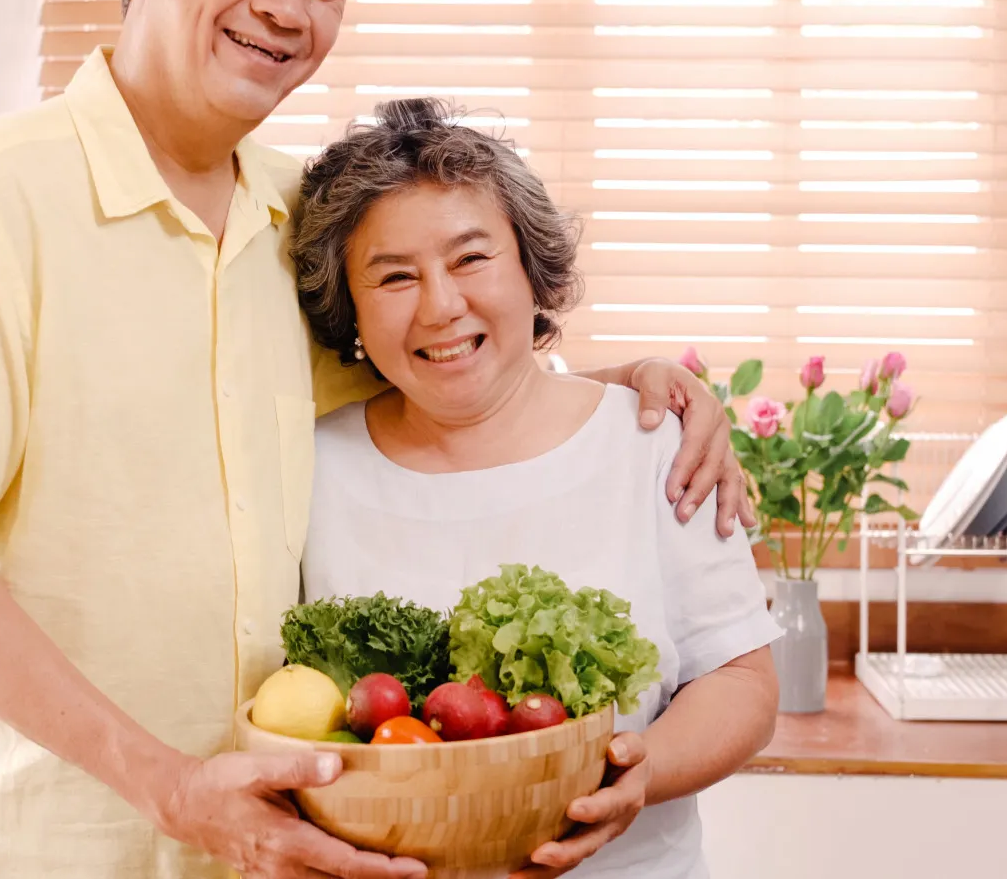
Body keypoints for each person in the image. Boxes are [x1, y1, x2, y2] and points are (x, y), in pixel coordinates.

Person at [0, 0, 752, 879]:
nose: (289, 5)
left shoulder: (302, 221)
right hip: (33, 845)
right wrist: (170, 788)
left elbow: (435, 367)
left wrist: (630, 389)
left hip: (254, 850)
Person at [293, 99, 782, 879]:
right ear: (349, 307)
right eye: (393, 276)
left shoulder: (653, 440)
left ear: (530, 264)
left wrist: (635, 768)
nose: (441, 304)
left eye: (471, 258)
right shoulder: (310, 464)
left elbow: (740, 679)